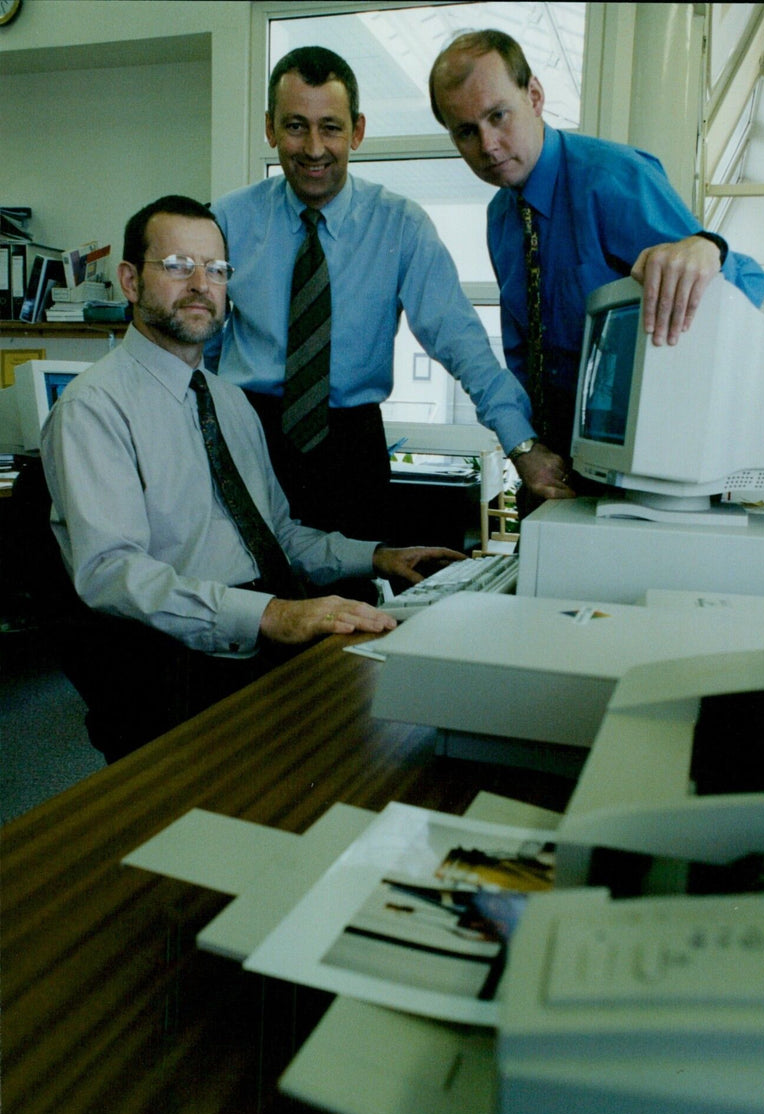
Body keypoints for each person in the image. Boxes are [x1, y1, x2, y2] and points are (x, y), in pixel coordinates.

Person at [41, 195, 461, 762]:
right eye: (176, 265)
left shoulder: (231, 402)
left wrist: (381, 557)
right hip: (182, 658)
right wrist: (271, 615)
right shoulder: (93, 408)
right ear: (130, 281)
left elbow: (281, 537)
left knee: (424, 707)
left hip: (265, 630)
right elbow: (111, 573)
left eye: (215, 270)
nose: (200, 284)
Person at [207, 45, 541, 542]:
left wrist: (523, 446)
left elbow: (459, 340)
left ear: (357, 131)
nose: (314, 147)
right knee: (244, 594)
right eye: (296, 125)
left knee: (352, 604)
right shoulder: (227, 221)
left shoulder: (400, 226)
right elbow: (198, 342)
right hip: (245, 434)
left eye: (332, 127)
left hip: (351, 450)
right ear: (270, 129)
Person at [429, 29, 764, 508]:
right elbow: (523, 356)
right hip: (555, 475)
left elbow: (746, 288)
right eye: (466, 131)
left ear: (535, 96)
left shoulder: (613, 177)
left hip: (645, 480)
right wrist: (529, 450)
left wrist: (708, 249)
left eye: (497, 116)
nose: (488, 144)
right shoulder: (500, 218)